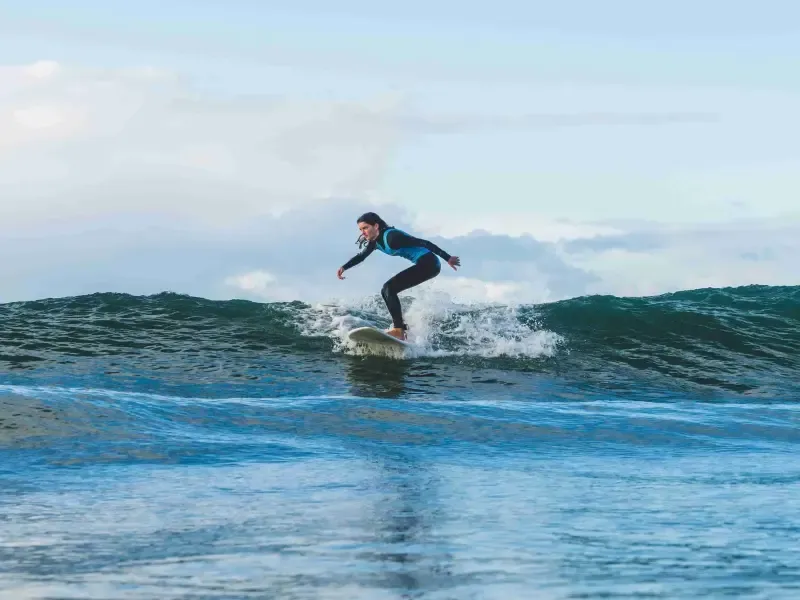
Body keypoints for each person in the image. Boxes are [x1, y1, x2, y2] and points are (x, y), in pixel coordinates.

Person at [337, 212, 461, 340]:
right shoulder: (375, 242)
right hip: (424, 264)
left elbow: (425, 243)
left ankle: (399, 330)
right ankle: (401, 328)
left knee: (389, 288)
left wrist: (448, 258)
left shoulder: (392, 237)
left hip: (429, 263)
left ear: (376, 226)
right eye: (361, 229)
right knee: (386, 290)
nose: (363, 232)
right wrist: (344, 267)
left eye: (365, 228)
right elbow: (361, 256)